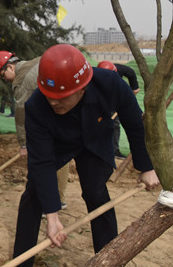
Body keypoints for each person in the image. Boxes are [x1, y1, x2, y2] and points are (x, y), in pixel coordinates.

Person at [12, 44, 160, 267]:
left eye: (61, 97)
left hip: (95, 136)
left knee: (96, 192)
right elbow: (41, 162)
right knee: (34, 193)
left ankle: (109, 258)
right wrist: (52, 217)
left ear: (82, 89)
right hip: (58, 142)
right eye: (49, 96)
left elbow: (134, 124)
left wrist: (146, 167)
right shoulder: (36, 106)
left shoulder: (110, 84)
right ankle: (22, 261)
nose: (53, 102)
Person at [0, 51, 69, 209]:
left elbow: (21, 112)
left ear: (10, 67)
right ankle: (59, 199)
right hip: (65, 112)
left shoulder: (22, 81)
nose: (4, 79)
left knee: (44, 160)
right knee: (61, 157)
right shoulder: (36, 62)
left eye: (3, 75)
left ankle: (51, 202)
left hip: (56, 116)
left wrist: (24, 144)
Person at [97, 60, 140, 159]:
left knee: (116, 123)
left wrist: (134, 88)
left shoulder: (120, 69)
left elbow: (131, 73)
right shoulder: (96, 78)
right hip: (103, 97)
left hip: (118, 93)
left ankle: (115, 151)